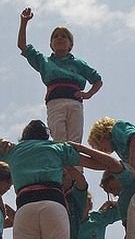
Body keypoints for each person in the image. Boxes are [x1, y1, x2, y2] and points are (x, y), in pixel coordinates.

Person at [17, 7, 103, 144]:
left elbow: (97, 80)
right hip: (55, 101)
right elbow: (22, 46)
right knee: (59, 138)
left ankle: (75, 166)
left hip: (75, 101)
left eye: (64, 36)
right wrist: (24, 22)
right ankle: (61, 166)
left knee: (75, 140)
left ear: (71, 44)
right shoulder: (44, 61)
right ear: (51, 44)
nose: (59, 38)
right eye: (56, 36)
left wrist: (88, 94)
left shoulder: (78, 63)